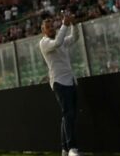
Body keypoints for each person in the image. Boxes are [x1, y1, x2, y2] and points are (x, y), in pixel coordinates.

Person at [39, 13, 80, 156]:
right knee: (68, 114)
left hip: (70, 80)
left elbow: (74, 38)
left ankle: (64, 148)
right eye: (47, 27)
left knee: (69, 115)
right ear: (43, 31)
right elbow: (57, 43)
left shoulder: (60, 39)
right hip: (59, 82)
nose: (50, 29)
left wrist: (73, 24)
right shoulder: (44, 43)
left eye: (52, 26)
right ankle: (72, 148)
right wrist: (65, 25)